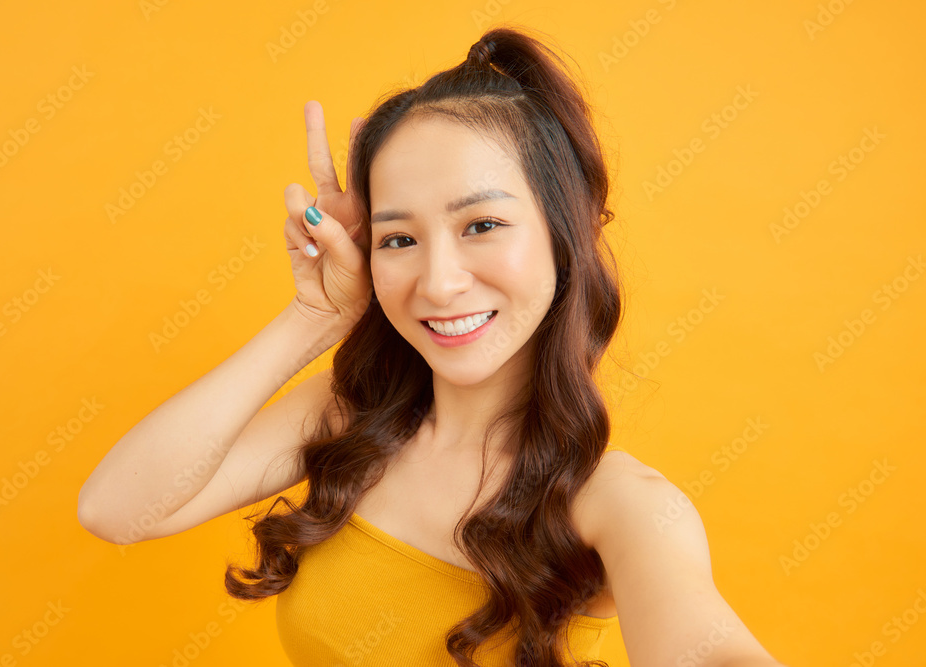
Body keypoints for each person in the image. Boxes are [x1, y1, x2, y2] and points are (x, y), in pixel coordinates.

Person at [78, 24, 788, 667]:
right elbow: (117, 508)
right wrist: (316, 314)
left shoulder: (616, 503)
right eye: (399, 239)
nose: (439, 283)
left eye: (481, 224)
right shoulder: (351, 416)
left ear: (563, 234)